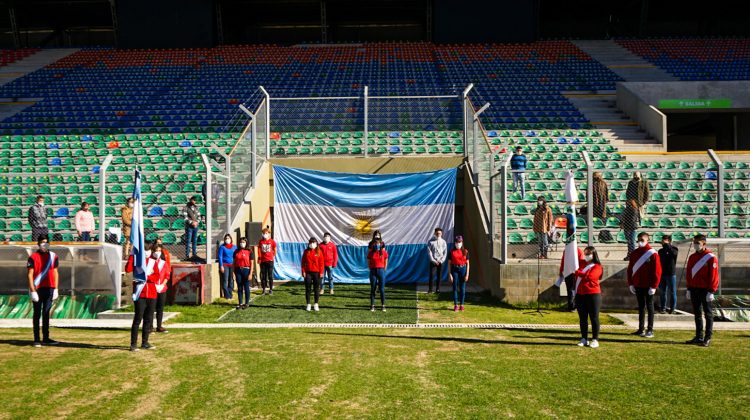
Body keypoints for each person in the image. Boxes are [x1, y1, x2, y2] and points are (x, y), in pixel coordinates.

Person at [128, 243, 170, 351]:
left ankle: (145, 342)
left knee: (148, 319)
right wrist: (132, 255)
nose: (147, 252)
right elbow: (128, 269)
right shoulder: (137, 262)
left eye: (148, 250)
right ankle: (133, 344)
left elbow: (156, 277)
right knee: (138, 319)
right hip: (140, 294)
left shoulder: (152, 262)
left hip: (151, 294)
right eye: (145, 250)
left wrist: (147, 276)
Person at [685, 234, 719, 347]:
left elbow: (714, 276)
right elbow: (689, 274)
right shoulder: (692, 257)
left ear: (704, 244)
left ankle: (707, 337)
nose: (695, 245)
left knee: (708, 314)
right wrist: (688, 288)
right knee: (697, 314)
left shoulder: (710, 257)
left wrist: (711, 291)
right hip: (694, 289)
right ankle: (698, 336)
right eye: (694, 243)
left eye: (697, 243)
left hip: (706, 290)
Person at [626, 232, 662, 338]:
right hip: (638, 284)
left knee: (650, 307)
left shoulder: (653, 253)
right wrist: (631, 283)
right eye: (638, 240)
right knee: (641, 307)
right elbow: (630, 269)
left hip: (649, 285)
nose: (640, 242)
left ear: (647, 240)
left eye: (642, 240)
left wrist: (654, 286)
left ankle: (650, 329)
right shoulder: (634, 253)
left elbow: (657, 271)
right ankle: (641, 329)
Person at [27, 236, 60, 347]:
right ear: (38, 244)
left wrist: (56, 288)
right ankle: (36, 339)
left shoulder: (53, 256)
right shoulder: (33, 257)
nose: (44, 245)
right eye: (42, 243)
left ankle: (46, 338)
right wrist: (32, 291)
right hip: (37, 289)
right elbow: (30, 275)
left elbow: (55, 273)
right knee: (37, 314)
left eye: (46, 243)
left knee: (46, 314)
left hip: (49, 288)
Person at [574, 246, 603, 348]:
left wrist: (578, 273)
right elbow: (575, 259)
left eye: (588, 253)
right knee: (583, 318)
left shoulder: (597, 266)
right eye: (585, 253)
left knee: (594, 317)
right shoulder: (582, 264)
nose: (586, 255)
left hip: (593, 295)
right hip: (580, 295)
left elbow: (590, 277)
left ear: (593, 254)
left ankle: (595, 339)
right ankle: (584, 338)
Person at [558, 246, 585, 311]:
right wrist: (561, 271)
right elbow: (563, 261)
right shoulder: (566, 250)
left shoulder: (579, 251)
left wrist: (579, 272)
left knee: (574, 290)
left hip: (576, 273)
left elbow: (581, 262)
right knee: (569, 290)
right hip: (568, 273)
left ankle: (575, 306)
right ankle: (570, 306)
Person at [301, 237, 324, 312]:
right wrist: (303, 271)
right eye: (310, 243)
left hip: (317, 273)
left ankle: (316, 304)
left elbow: (321, 263)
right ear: (309, 243)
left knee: (316, 289)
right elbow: (303, 262)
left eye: (313, 243)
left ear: (316, 243)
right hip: (308, 273)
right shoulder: (306, 251)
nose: (312, 244)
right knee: (308, 289)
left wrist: (321, 273)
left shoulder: (319, 252)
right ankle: (308, 304)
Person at [448, 235, 470, 312]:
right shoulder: (451, 252)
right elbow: (449, 263)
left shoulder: (465, 251)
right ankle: (456, 305)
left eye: (460, 242)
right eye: (457, 242)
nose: (458, 243)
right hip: (455, 269)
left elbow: (468, 263)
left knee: (462, 288)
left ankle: (462, 304)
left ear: (462, 242)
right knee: (454, 287)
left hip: (463, 269)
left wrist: (467, 274)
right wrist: (450, 274)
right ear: (455, 242)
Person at [658, 235, 679, 314]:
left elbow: (674, 255)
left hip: (671, 274)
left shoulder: (674, 249)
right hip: (662, 274)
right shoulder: (660, 251)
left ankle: (672, 309)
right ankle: (663, 308)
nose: (663, 241)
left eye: (665, 240)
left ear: (669, 241)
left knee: (672, 292)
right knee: (662, 292)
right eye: (662, 240)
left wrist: (668, 245)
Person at [368, 236, 388, 312]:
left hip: (381, 271)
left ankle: (383, 306)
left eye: (378, 243)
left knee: (382, 289)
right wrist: (371, 268)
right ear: (373, 245)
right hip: (373, 272)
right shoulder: (371, 253)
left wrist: (384, 269)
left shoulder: (384, 252)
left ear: (380, 244)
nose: (377, 245)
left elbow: (386, 260)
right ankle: (372, 306)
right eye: (375, 243)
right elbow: (368, 261)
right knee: (373, 289)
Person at [233, 237, 254, 310]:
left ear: (246, 243)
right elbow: (234, 263)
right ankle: (240, 303)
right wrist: (233, 273)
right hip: (238, 270)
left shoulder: (249, 251)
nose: (242, 243)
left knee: (246, 287)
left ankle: (247, 303)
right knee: (239, 287)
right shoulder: (236, 251)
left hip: (246, 270)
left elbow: (252, 263)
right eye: (241, 242)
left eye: (243, 242)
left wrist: (250, 273)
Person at [427, 227, 447, 294]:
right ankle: (430, 290)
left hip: (441, 262)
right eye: (437, 233)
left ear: (441, 234)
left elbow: (445, 252)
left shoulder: (444, 242)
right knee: (432, 275)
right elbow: (429, 252)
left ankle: (438, 289)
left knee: (439, 276)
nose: (439, 234)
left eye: (440, 233)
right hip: (433, 262)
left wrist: (441, 261)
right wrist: (433, 260)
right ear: (435, 233)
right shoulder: (431, 241)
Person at [217, 234, 237, 300]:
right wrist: (221, 266)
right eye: (226, 238)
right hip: (225, 265)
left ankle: (230, 294)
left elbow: (236, 256)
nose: (227, 240)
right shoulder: (222, 247)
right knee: (225, 280)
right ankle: (227, 295)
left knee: (231, 280)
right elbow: (220, 257)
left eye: (228, 238)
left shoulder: (234, 247)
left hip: (232, 265)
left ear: (231, 239)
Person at [258, 227, 277, 295]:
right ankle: (263, 289)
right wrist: (259, 258)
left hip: (270, 261)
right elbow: (259, 250)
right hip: (263, 261)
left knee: (270, 275)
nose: (265, 234)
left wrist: (272, 255)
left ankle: (271, 289)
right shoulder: (261, 241)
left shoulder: (272, 241)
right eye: (263, 233)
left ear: (269, 234)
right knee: (263, 276)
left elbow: (275, 249)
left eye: (266, 233)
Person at [182, 196, 201, 260]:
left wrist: (197, 222)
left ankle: (194, 254)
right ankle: (187, 255)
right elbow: (185, 217)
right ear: (190, 200)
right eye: (193, 200)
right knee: (188, 241)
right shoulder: (185, 208)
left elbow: (199, 216)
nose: (194, 201)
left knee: (195, 240)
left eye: (195, 200)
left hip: (195, 226)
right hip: (189, 227)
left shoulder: (196, 207)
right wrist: (191, 222)